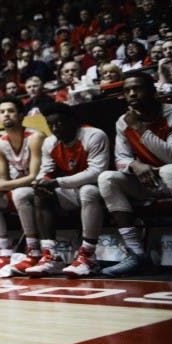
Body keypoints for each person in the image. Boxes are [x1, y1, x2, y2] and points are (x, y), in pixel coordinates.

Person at [97, 71, 172, 277]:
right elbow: (121, 160)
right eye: (127, 91)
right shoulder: (122, 121)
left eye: (138, 88)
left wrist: (139, 128)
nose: (132, 94)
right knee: (107, 178)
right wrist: (135, 165)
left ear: (153, 91)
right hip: (146, 181)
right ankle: (136, 253)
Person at [29, 103, 110, 278]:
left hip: (102, 191)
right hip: (71, 190)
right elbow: (46, 171)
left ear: (73, 121)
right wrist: (41, 182)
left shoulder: (94, 135)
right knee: (40, 194)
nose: (55, 128)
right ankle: (51, 255)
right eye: (50, 125)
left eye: (59, 123)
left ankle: (89, 256)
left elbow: (97, 172)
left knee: (88, 190)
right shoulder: (49, 143)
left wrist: (57, 182)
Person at [0, 98, 44, 276]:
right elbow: (4, 179)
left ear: (22, 116)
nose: (6, 114)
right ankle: (5, 253)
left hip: (42, 189)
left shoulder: (35, 137)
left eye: (11, 111)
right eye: (2, 111)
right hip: (19, 190)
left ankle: (34, 251)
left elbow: (34, 177)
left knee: (20, 193)